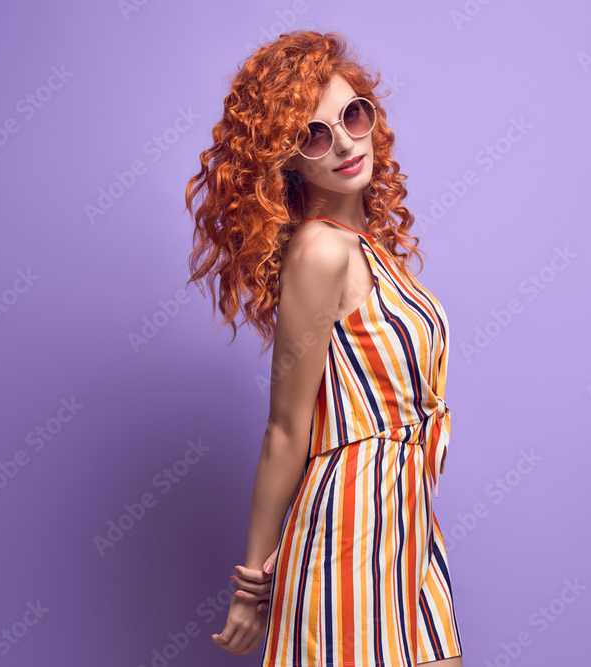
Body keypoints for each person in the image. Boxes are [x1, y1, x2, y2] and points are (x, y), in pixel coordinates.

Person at [184, 30, 463, 666]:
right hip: (351, 527)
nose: (341, 142)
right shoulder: (320, 251)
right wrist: (251, 586)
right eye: (312, 135)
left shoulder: (370, 251)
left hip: (409, 522)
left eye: (352, 116)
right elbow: (287, 428)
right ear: (285, 159)